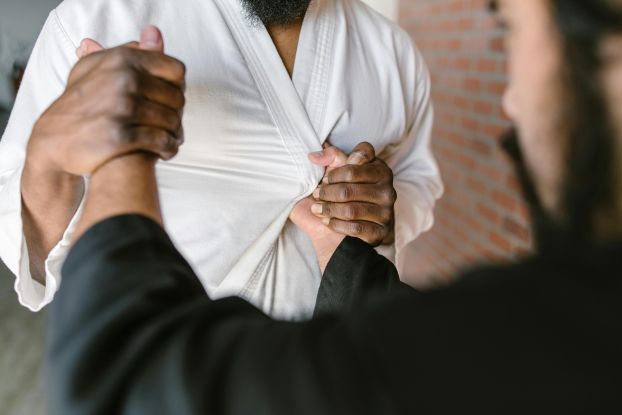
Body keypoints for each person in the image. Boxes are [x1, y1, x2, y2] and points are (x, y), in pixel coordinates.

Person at [47, 0, 622, 413]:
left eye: (514, 29)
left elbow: (122, 384)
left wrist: (121, 153)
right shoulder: (92, 19)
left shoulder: (389, 49)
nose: (512, 100)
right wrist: (342, 242)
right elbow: (24, 189)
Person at [0, 0, 443, 319]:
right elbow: (17, 234)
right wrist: (49, 159)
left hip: (332, 369)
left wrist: (385, 210)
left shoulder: (392, 53)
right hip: (171, 368)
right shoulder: (95, 18)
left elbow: (419, 181)